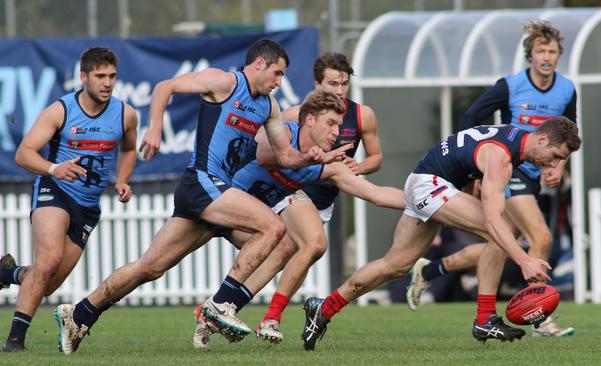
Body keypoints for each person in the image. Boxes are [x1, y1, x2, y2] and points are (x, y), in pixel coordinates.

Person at [53, 39, 350, 355]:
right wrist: (154, 129)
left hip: (218, 196)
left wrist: (311, 157)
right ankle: (222, 304)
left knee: (150, 267)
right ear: (259, 64)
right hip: (203, 183)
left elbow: (286, 156)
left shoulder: (269, 106)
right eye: (277, 73)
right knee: (273, 228)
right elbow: (165, 87)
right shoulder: (224, 82)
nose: (279, 82)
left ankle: (81, 313)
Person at [300, 117, 582, 351]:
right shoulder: (502, 157)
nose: (555, 164)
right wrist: (524, 260)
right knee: (500, 231)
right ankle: (485, 318)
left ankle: (323, 308)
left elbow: (470, 158)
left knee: (395, 265)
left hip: (426, 181)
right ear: (543, 140)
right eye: (556, 156)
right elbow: (493, 220)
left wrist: (468, 190)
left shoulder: (514, 138)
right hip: (430, 185)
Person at [407, 19, 577, 337]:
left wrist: (557, 166)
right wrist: (473, 168)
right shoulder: (510, 85)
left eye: (552, 51)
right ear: (530, 54)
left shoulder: (567, 89)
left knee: (498, 243)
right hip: (508, 174)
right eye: (541, 50)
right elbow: (470, 118)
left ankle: (430, 270)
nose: (547, 57)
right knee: (540, 239)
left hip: (533, 177)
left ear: (559, 55)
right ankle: (539, 317)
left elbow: (569, 135)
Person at [192, 89, 396, 348]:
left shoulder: (333, 153)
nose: (337, 132)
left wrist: (424, 201)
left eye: (344, 83)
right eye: (331, 124)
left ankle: (223, 309)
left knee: (285, 244)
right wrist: (301, 159)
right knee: (151, 267)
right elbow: (265, 154)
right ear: (310, 116)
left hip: (265, 206)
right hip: (224, 201)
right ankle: (237, 311)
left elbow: (376, 194)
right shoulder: (287, 125)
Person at [0, 47, 138, 352]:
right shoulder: (60, 111)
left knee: (46, 283)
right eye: (100, 76)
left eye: (112, 76)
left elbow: (129, 149)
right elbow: (24, 153)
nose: (107, 83)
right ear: (83, 77)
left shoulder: (125, 114)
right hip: (55, 191)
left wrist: (123, 179)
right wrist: (54, 168)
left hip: (88, 207)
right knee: (47, 262)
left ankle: (8, 273)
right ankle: (14, 342)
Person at [248, 52, 383, 344]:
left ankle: (223, 305)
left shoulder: (362, 115)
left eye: (344, 83)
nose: (339, 90)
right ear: (317, 83)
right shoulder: (296, 113)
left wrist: (359, 167)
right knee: (314, 244)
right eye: (332, 83)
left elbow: (376, 158)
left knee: (283, 254)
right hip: (294, 190)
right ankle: (270, 317)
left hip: (326, 197)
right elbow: (264, 145)